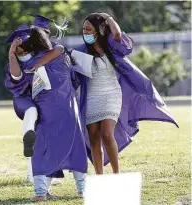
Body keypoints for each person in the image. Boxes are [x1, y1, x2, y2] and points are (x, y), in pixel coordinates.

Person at [33, 12, 178, 175]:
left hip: (111, 95)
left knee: (107, 134)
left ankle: (116, 174)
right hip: (90, 98)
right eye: (84, 29)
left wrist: (107, 17)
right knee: (94, 138)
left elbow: (117, 34)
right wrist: (37, 64)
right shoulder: (80, 52)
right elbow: (60, 56)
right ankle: (99, 176)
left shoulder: (110, 47)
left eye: (89, 29)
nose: (85, 32)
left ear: (98, 30)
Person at [5, 27, 88, 201]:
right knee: (75, 148)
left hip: (46, 111)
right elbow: (60, 51)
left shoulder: (29, 65)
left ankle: (41, 192)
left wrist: (13, 54)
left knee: (43, 149)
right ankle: (82, 189)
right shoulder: (60, 55)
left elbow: (17, 77)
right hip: (69, 108)